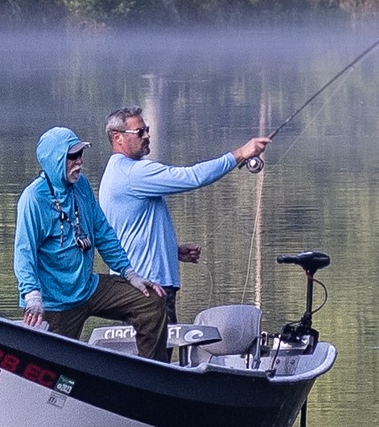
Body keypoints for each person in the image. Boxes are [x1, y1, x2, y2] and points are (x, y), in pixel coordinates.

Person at [12, 126, 174, 357]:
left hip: (88, 287)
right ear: (55, 160)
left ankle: (152, 372)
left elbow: (103, 232)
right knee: (55, 364)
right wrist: (33, 296)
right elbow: (24, 253)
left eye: (81, 155)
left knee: (150, 301)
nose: (79, 162)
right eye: (72, 157)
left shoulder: (82, 186)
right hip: (56, 302)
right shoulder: (33, 199)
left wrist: (130, 273)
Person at [96, 107, 269, 316]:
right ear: (118, 138)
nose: (147, 135)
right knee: (157, 349)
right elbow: (192, 176)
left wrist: (170, 250)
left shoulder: (115, 172)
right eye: (140, 132)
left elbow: (128, 231)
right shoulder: (134, 173)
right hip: (150, 289)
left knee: (140, 349)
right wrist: (240, 153)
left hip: (134, 286)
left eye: (147, 129)